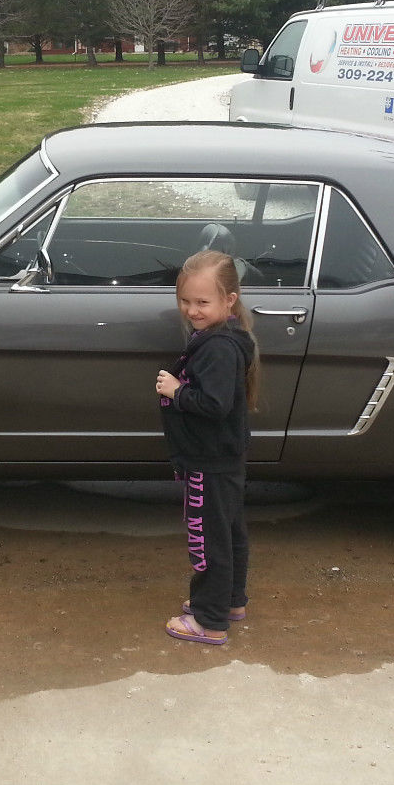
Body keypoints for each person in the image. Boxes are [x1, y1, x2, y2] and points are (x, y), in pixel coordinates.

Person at [154, 250, 260, 646]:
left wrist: (177, 391)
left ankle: (209, 620)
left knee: (206, 540)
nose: (192, 310)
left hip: (207, 461)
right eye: (185, 301)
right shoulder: (224, 338)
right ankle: (230, 602)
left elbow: (214, 405)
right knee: (229, 533)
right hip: (222, 458)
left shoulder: (217, 347)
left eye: (203, 302)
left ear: (229, 300)